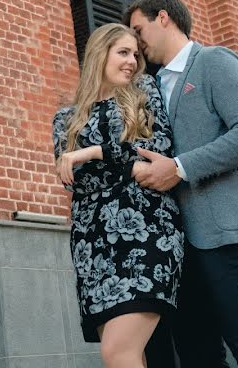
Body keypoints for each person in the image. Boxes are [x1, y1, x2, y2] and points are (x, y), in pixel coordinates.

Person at [124, 0, 238, 367]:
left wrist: (178, 167)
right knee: (199, 356)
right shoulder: (149, 86)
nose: (136, 41)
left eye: (139, 29)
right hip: (178, 246)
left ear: (163, 17)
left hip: (226, 232)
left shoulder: (214, 61)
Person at [52, 23, 184, 368]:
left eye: (135, 54)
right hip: (93, 246)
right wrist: (123, 162)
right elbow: (75, 182)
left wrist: (89, 153)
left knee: (117, 352)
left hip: (148, 233)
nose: (132, 61)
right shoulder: (66, 118)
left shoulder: (144, 93)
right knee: (131, 355)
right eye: (123, 52)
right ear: (100, 54)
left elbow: (156, 150)